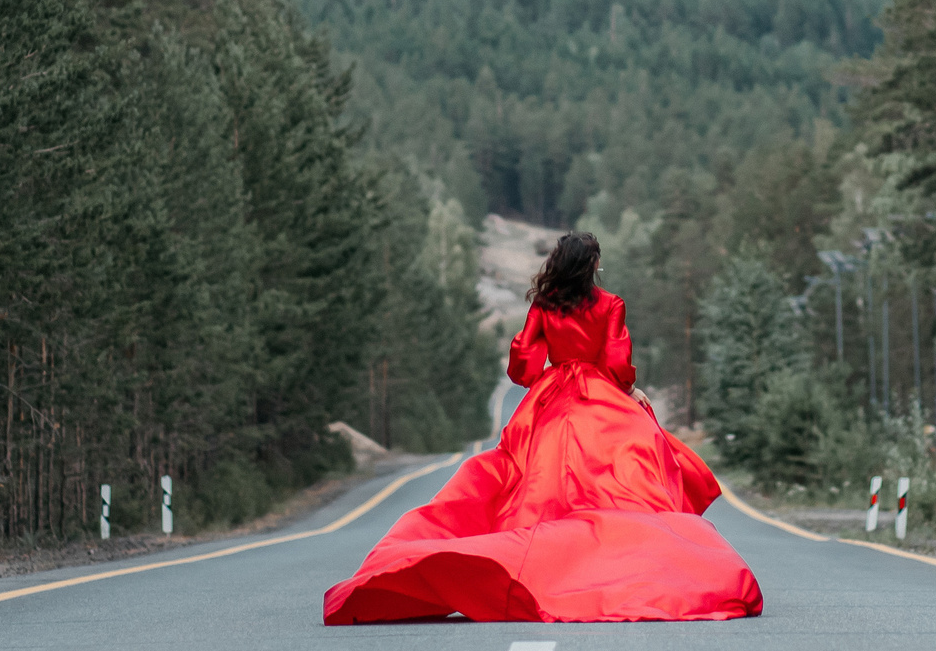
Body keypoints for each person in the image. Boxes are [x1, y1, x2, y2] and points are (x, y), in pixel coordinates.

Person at [322, 231, 764, 624]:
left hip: (550, 398)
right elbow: (614, 363)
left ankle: (537, 560)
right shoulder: (610, 304)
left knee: (530, 477)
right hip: (598, 391)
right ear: (591, 265)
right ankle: (620, 560)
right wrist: (629, 390)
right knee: (632, 466)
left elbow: (524, 365)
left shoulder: (544, 305)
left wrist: (552, 367)